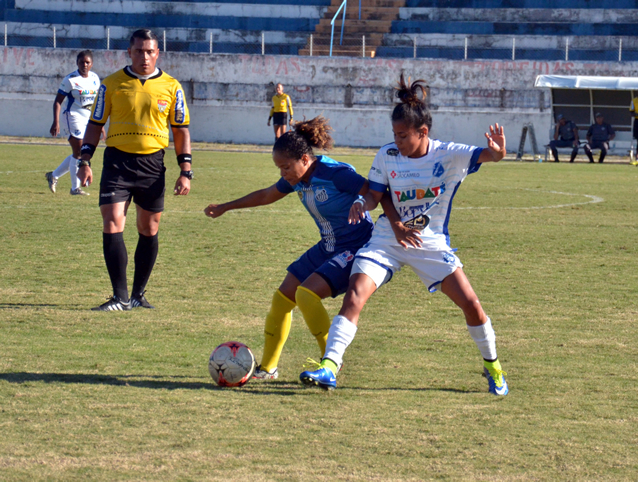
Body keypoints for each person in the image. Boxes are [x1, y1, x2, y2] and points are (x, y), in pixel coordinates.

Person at [300, 75, 510, 396]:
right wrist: (361, 202)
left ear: (422, 132)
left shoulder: (449, 154)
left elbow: (490, 155)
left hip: (430, 243)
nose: (397, 141)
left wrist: (498, 151)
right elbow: (374, 195)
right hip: (387, 240)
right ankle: (330, 366)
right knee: (354, 295)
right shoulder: (387, 155)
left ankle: (493, 367)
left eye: (403, 136)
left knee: (472, 305)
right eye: (395, 135)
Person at [204, 116, 374, 380]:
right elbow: (266, 195)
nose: (282, 174)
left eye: (285, 167)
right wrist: (226, 207)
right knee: (282, 299)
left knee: (306, 294)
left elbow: (374, 191)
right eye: (279, 168)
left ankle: (331, 362)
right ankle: (268, 369)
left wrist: (382, 216)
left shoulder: (336, 174)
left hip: (356, 245)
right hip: (328, 245)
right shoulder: (298, 179)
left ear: (305, 160)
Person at [77, 29, 193, 311]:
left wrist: (185, 169)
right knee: (113, 221)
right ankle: (119, 297)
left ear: (157, 54)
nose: (145, 56)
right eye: (139, 51)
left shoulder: (172, 86)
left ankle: (138, 295)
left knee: (149, 227)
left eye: (150, 51)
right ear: (129, 53)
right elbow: (95, 125)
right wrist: (85, 160)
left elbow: (180, 130)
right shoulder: (111, 84)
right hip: (118, 162)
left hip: (153, 164)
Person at [46, 50, 103, 196]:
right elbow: (58, 101)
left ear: (92, 64)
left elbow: (97, 103)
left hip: (88, 118)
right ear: (76, 63)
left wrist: (99, 124)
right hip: (72, 116)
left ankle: (54, 175)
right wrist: (55, 122)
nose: (84, 65)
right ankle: (75, 188)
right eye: (81, 62)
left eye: (87, 62)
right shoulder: (70, 80)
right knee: (79, 152)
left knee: (78, 153)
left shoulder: (95, 78)